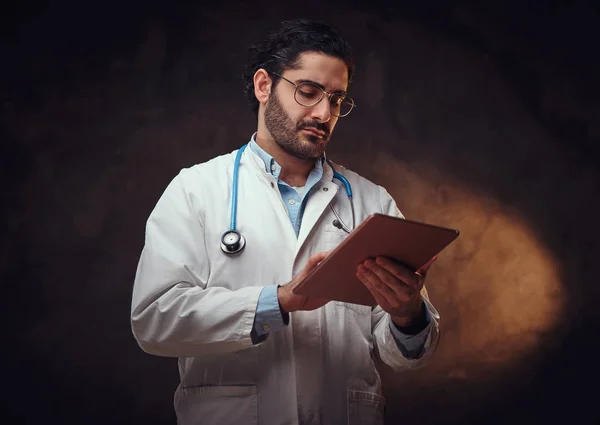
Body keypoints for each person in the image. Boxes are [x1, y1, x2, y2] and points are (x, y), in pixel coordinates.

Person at [131, 19, 441, 425]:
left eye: (336, 99)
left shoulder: (371, 202)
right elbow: (155, 320)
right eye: (308, 92)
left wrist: (407, 313)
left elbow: (404, 354)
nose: (323, 113)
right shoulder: (196, 190)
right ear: (264, 86)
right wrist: (277, 302)